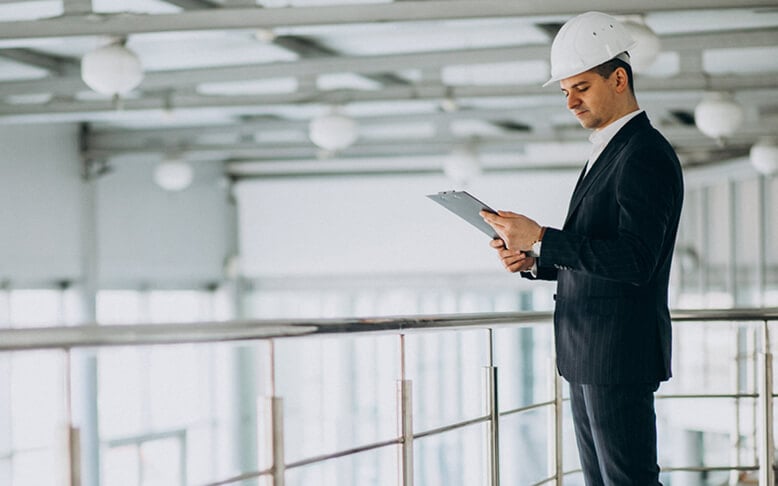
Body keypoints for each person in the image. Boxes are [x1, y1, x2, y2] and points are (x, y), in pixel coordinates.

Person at [481, 11, 684, 486]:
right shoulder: (611, 148)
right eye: (564, 91)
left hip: (616, 354)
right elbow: (601, 251)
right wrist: (535, 260)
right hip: (590, 353)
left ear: (618, 78)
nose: (570, 101)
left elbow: (636, 260)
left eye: (581, 88)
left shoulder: (644, 153)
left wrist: (542, 238)